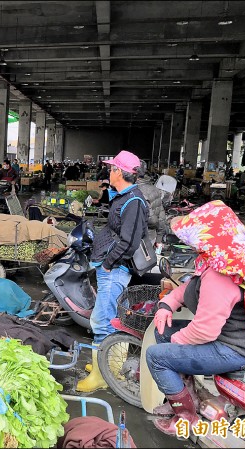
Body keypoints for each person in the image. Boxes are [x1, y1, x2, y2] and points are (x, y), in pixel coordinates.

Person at [146, 201, 245, 436]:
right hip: (233, 337)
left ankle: (186, 416)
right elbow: (191, 286)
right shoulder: (231, 255)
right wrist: (167, 304)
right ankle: (186, 393)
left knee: (157, 356)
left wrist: (176, 342)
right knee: (163, 329)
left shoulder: (221, 275)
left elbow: (204, 331)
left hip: (236, 349)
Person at [76, 150, 148, 393]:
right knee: (109, 316)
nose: (109, 171)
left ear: (119, 172)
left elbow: (129, 242)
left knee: (102, 320)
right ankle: (110, 365)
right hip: (110, 266)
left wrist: (107, 264)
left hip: (115, 269)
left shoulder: (134, 202)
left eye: (112, 168)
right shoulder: (123, 196)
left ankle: (101, 375)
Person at [136, 162, 166, 246]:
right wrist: (159, 238)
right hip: (151, 237)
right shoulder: (154, 189)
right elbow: (161, 217)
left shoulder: (136, 192)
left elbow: (153, 220)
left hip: (138, 239)